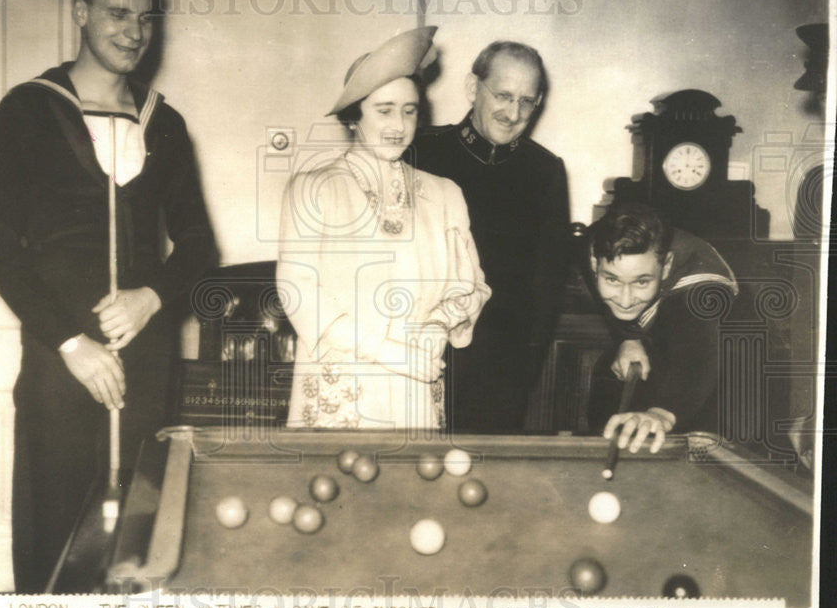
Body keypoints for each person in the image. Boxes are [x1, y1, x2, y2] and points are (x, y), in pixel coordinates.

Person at [0, 0, 217, 592]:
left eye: (144, 17)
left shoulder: (165, 124)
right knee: (58, 545)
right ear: (81, 13)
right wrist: (70, 343)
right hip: (64, 366)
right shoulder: (27, 110)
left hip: (147, 366)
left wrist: (151, 298)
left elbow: (199, 246)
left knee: (138, 542)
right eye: (116, 14)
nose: (133, 31)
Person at [277, 27, 490, 431]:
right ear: (355, 116)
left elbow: (469, 286)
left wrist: (438, 326)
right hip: (340, 395)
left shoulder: (445, 194)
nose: (399, 124)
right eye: (384, 109)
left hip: (416, 388)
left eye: (409, 111)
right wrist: (387, 351)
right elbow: (298, 290)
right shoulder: (311, 188)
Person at [411, 41, 570, 434]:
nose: (513, 113)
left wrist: (523, 374)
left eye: (526, 101)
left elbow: (547, 285)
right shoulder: (422, 151)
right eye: (502, 95)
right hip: (419, 354)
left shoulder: (546, 171)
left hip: (500, 370)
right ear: (472, 88)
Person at [581, 203, 738, 453]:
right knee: (609, 374)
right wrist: (628, 338)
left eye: (642, 281)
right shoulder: (590, 245)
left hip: (730, 368)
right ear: (594, 263)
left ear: (665, 267)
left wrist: (662, 413)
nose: (624, 299)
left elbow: (699, 355)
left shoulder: (704, 293)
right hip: (659, 336)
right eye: (611, 280)